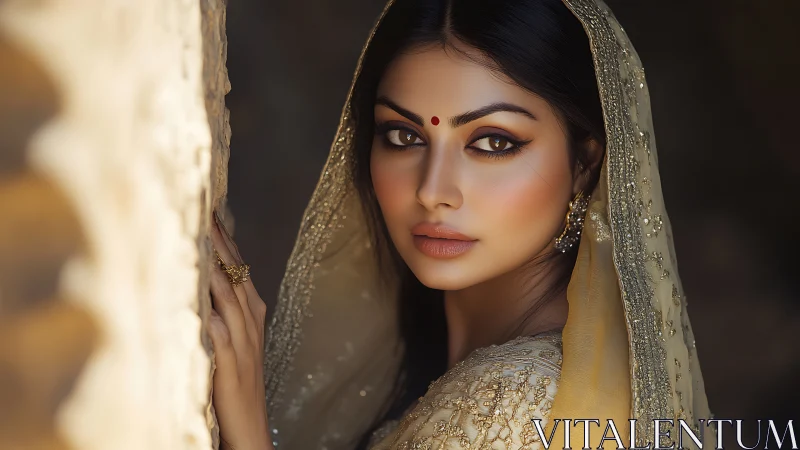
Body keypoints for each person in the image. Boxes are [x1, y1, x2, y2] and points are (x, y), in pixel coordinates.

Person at [206, 0, 716, 449]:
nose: (432, 191)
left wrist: (249, 436)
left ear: (584, 166)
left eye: (493, 142)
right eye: (403, 137)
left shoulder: (513, 405)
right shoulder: (497, 375)